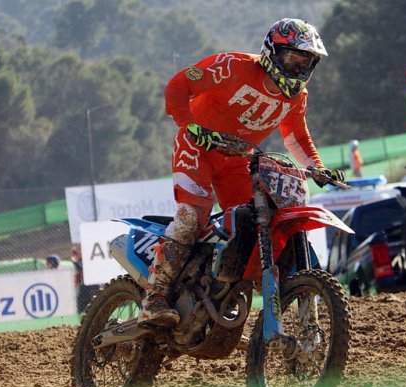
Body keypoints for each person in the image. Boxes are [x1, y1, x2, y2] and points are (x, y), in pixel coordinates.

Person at [140, 18, 343, 327]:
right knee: (192, 216)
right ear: (272, 52)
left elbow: (296, 136)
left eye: (306, 62)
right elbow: (179, 85)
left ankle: (222, 294)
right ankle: (154, 297)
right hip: (198, 146)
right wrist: (189, 125)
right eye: (292, 58)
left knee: (254, 223)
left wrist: (317, 167)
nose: (298, 68)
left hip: (238, 159)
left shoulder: (297, 96)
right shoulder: (232, 66)